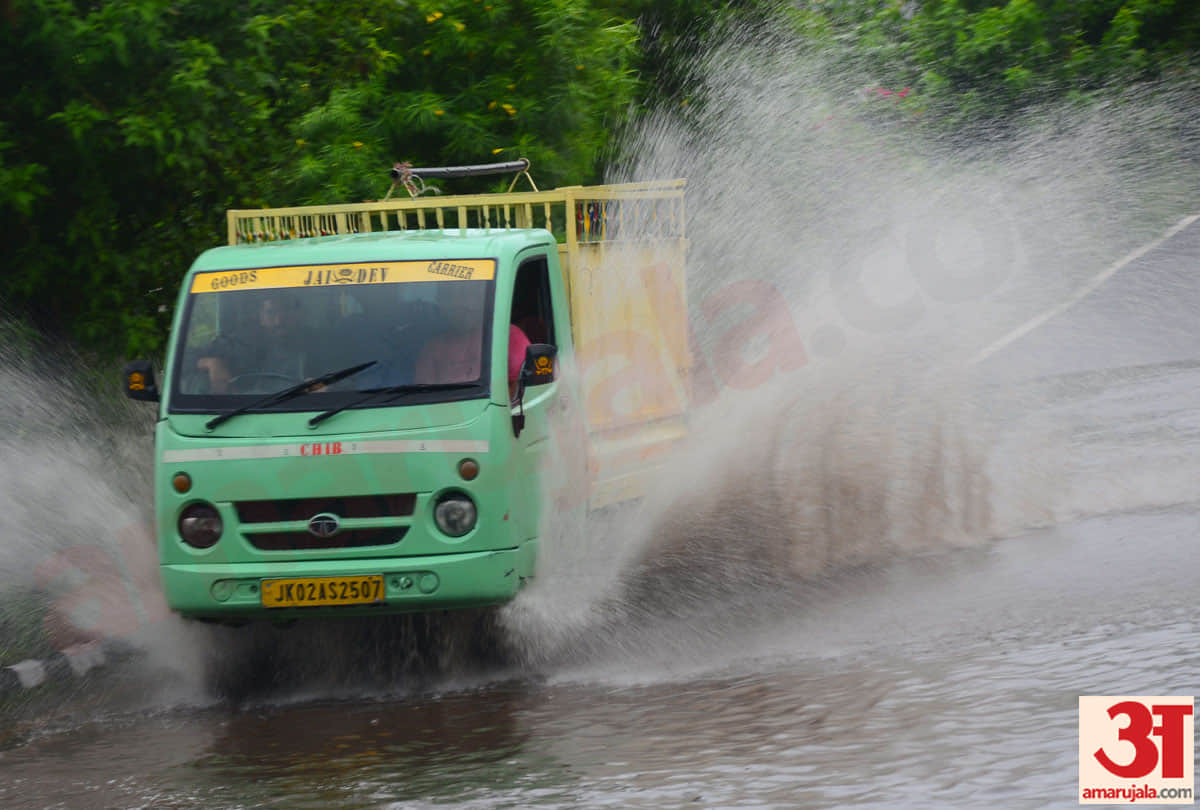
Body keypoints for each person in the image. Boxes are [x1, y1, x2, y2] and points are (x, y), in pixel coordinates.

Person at [197, 293, 306, 393]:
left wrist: (317, 387)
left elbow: (321, 383)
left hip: (302, 406)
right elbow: (186, 359)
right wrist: (211, 363)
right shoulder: (238, 342)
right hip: (239, 410)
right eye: (271, 313)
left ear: (297, 314)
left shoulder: (316, 342)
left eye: (285, 311)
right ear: (260, 316)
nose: (279, 321)